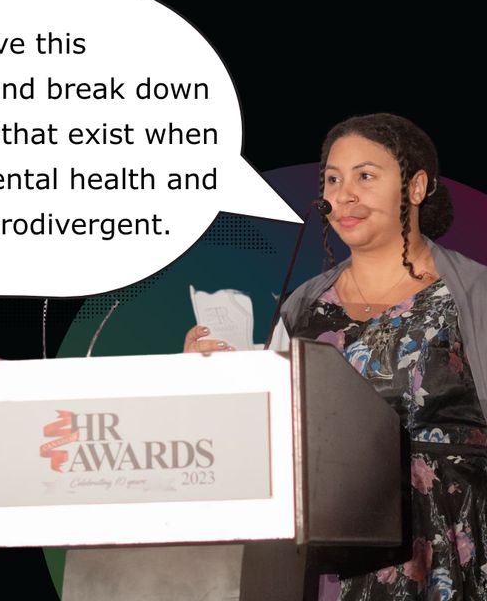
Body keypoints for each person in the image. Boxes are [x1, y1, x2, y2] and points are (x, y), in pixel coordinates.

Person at [184, 113, 486, 599]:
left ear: (415, 187)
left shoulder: (473, 292)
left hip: (452, 543)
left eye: (365, 177)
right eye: (331, 179)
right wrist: (214, 380)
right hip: (335, 549)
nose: (341, 196)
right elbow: (266, 433)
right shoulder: (305, 305)